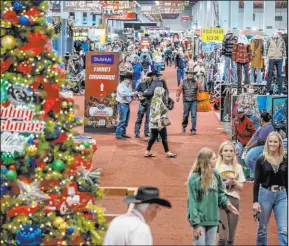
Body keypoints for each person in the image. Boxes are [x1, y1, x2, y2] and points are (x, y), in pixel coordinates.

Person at [187, 148, 239, 246]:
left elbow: (220, 193)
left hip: (213, 219)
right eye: (214, 158)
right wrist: (195, 224)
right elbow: (192, 203)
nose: (216, 160)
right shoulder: (193, 178)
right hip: (199, 220)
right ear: (207, 161)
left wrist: (228, 204)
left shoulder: (215, 174)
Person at [103, 186, 171, 245]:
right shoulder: (140, 228)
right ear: (150, 207)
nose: (156, 212)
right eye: (157, 207)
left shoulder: (117, 220)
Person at [253, 131, 287, 246]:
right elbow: (256, 182)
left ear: (280, 144)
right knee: (262, 229)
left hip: (282, 195)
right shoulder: (261, 160)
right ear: (267, 143)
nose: (272, 144)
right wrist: (255, 201)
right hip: (265, 194)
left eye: (275, 142)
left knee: (284, 229)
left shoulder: (285, 159)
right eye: (270, 141)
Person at [216, 141, 246, 246]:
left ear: (234, 153)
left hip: (234, 201)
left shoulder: (238, 167)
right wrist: (225, 183)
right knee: (223, 237)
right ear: (221, 153)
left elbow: (241, 188)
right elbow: (212, 187)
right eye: (226, 150)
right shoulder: (216, 167)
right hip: (220, 201)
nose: (228, 153)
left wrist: (234, 183)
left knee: (230, 239)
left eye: (231, 151)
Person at [145, 87, 177, 158]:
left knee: (153, 137)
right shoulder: (158, 101)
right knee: (164, 137)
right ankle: (168, 152)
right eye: (162, 91)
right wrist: (159, 124)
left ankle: (147, 151)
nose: (163, 93)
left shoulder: (153, 99)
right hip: (159, 122)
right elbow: (157, 113)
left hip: (153, 122)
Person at [244, 112, 274, 181]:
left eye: (260, 117)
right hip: (262, 146)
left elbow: (258, 141)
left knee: (249, 158)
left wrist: (248, 147)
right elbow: (254, 138)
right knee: (250, 157)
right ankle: (254, 175)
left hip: (265, 147)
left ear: (262, 118)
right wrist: (248, 146)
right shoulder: (263, 126)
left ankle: (257, 175)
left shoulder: (267, 128)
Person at [176, 68, 203, 134]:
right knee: (186, 115)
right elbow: (179, 89)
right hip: (186, 101)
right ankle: (184, 126)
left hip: (194, 100)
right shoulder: (183, 81)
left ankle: (193, 129)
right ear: (187, 74)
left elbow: (201, 90)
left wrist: (199, 85)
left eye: (192, 74)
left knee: (194, 115)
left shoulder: (196, 82)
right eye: (189, 74)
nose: (190, 75)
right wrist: (177, 96)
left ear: (193, 75)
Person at [115, 73, 138, 140]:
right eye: (130, 80)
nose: (130, 81)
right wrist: (132, 93)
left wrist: (132, 95)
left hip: (126, 104)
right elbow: (123, 94)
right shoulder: (121, 86)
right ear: (126, 79)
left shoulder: (126, 86)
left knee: (126, 120)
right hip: (122, 104)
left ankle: (123, 133)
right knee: (123, 120)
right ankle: (118, 134)